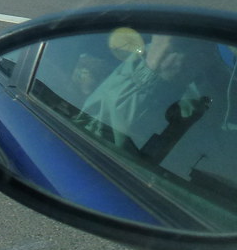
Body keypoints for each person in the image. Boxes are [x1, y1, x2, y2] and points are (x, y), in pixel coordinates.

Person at [78, 33, 216, 163]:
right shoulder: (140, 64)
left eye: (204, 54)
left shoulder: (202, 97)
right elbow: (94, 138)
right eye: (181, 45)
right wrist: (154, 72)